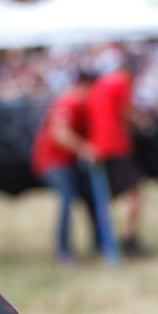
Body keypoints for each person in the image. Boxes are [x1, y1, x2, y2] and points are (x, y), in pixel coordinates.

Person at [86, 48, 151, 258]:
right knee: (134, 194)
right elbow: (127, 110)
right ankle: (130, 240)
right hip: (116, 146)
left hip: (99, 146)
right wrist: (145, 124)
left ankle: (103, 239)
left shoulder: (99, 85)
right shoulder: (121, 82)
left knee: (106, 196)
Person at [31, 70, 98, 264]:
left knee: (87, 197)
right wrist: (85, 148)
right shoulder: (71, 101)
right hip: (54, 162)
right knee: (66, 200)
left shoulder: (77, 102)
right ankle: (63, 251)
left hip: (67, 162)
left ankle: (97, 243)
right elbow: (59, 134)